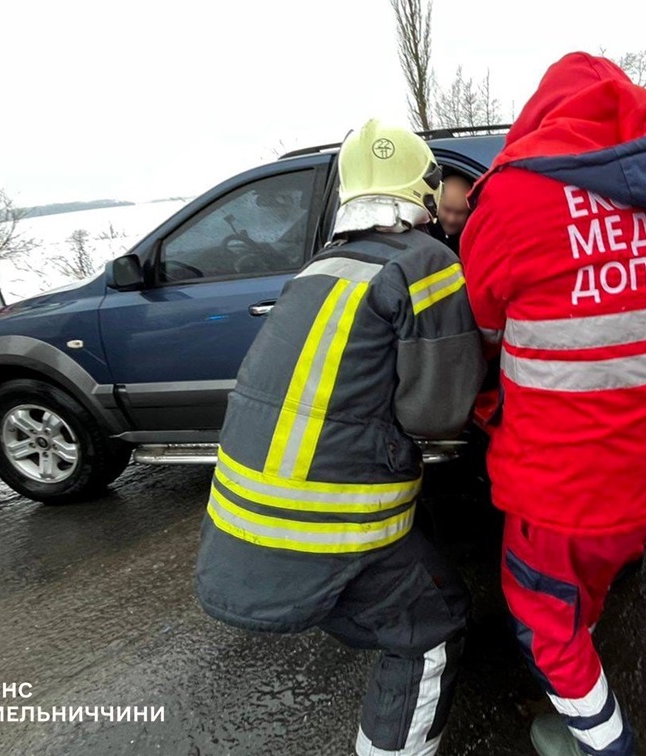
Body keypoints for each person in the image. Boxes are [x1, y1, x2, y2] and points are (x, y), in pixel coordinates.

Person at [194, 120, 485, 756]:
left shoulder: (318, 268)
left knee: (419, 580)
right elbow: (438, 414)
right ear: (424, 190)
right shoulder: (426, 260)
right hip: (324, 524)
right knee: (430, 628)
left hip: (240, 521)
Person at [461, 53, 646, 756]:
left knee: (541, 618)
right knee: (587, 584)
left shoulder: (513, 199)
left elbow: (482, 327)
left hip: (564, 481)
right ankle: (584, 657)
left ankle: (602, 739)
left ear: (543, 116)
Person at [427, 173, 471, 254]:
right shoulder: (423, 229)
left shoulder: (472, 242)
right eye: (447, 209)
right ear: (437, 202)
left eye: (459, 213)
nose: (451, 219)